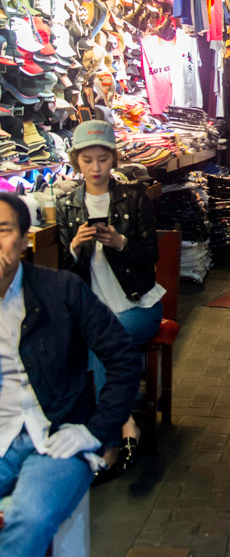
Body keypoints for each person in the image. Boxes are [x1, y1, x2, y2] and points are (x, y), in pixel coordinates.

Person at [0, 192, 141, 556]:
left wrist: (95, 430)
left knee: (30, 516)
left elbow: (122, 356)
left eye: (2, 230)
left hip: (56, 435)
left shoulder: (60, 289)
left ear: (24, 237)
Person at [57, 120, 164, 476]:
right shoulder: (68, 203)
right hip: (95, 310)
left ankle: (111, 441)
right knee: (97, 338)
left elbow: (152, 255)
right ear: (77, 162)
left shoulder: (132, 197)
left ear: (114, 159)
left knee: (101, 341)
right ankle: (124, 424)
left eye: (103, 159)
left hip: (139, 304)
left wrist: (122, 243)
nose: (96, 168)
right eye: (88, 160)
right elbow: (64, 278)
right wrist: (74, 249)